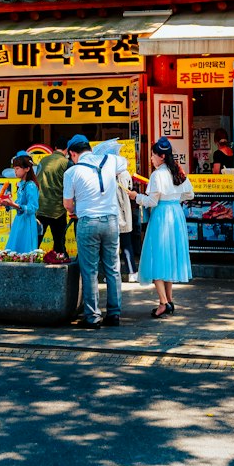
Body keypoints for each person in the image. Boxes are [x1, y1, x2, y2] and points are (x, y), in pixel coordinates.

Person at [62, 133, 126, 329]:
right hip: (111, 221)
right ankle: (114, 314)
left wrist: (75, 210)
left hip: (88, 222)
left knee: (89, 270)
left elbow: (67, 204)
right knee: (113, 268)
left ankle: (93, 317)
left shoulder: (71, 173)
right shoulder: (110, 159)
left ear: (73, 153)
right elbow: (124, 164)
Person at [132, 137, 194, 317]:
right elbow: (190, 194)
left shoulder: (157, 175)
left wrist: (135, 196)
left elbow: (152, 201)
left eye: (152, 155)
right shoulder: (178, 171)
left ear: (161, 156)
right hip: (176, 214)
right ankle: (169, 299)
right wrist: (174, 199)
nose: (151, 158)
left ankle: (163, 302)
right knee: (169, 257)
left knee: (157, 256)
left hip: (161, 216)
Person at [35, 146, 70, 256]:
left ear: (55, 147)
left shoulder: (43, 160)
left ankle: (30, 267)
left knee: (35, 242)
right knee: (59, 243)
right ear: (67, 149)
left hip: (41, 206)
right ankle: (59, 268)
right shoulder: (66, 163)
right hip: (57, 209)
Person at [3, 152, 40, 252]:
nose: (15, 171)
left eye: (17, 168)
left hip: (27, 221)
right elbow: (18, 202)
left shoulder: (31, 185)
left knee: (25, 251)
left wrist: (14, 205)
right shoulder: (21, 184)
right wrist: (7, 204)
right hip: (19, 221)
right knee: (16, 250)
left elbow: (33, 207)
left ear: (27, 169)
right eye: (14, 168)